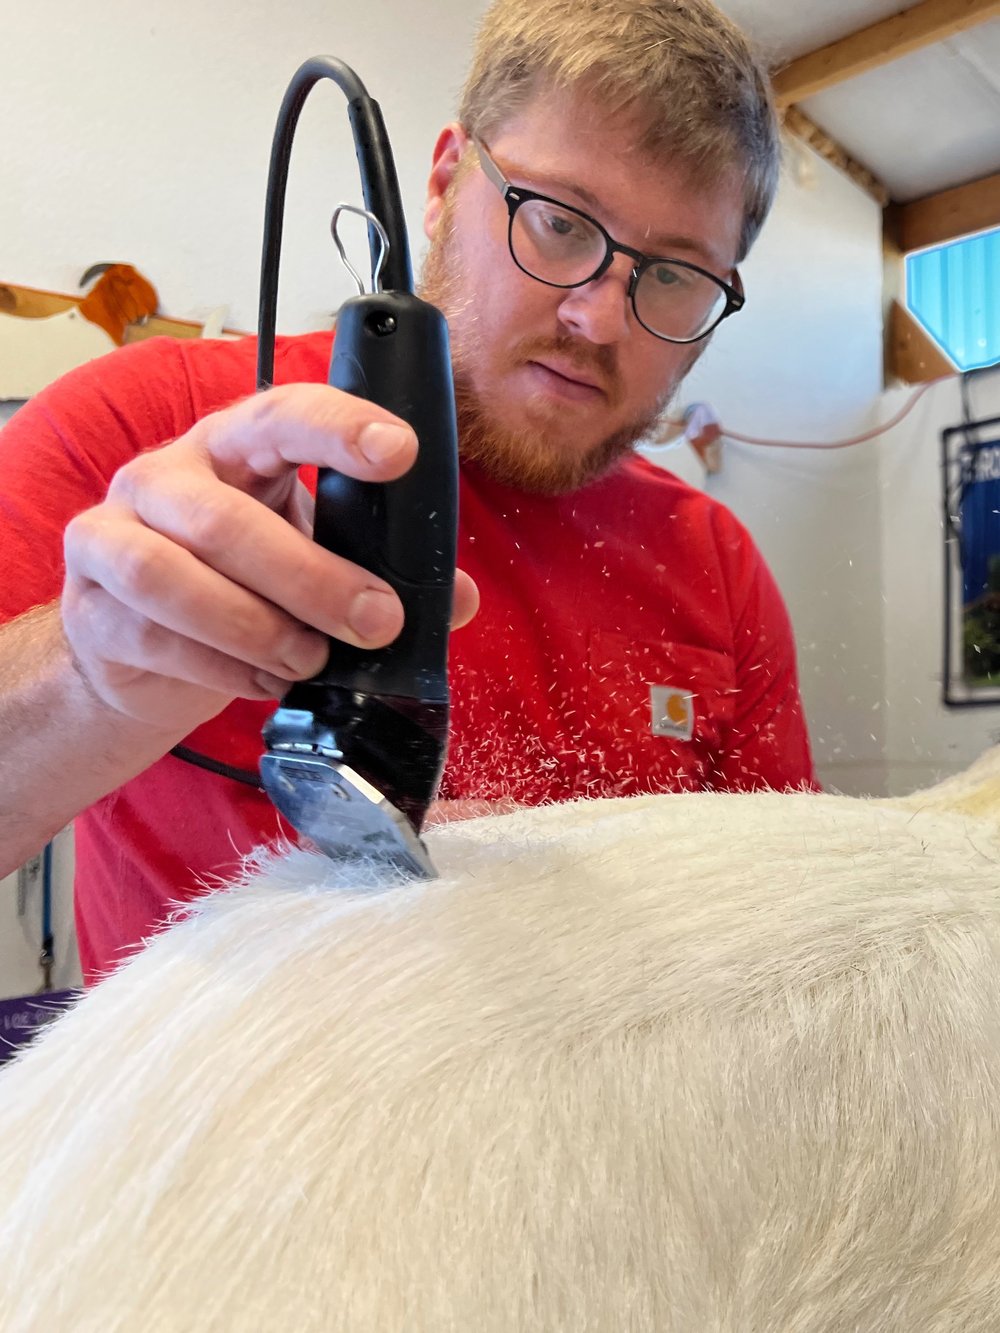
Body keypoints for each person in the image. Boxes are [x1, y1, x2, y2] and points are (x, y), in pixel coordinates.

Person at [0, 0, 816, 983]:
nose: (599, 319)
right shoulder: (149, 429)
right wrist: (86, 680)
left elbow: (780, 948)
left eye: (677, 277)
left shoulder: (714, 564)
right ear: (441, 184)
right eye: (557, 222)